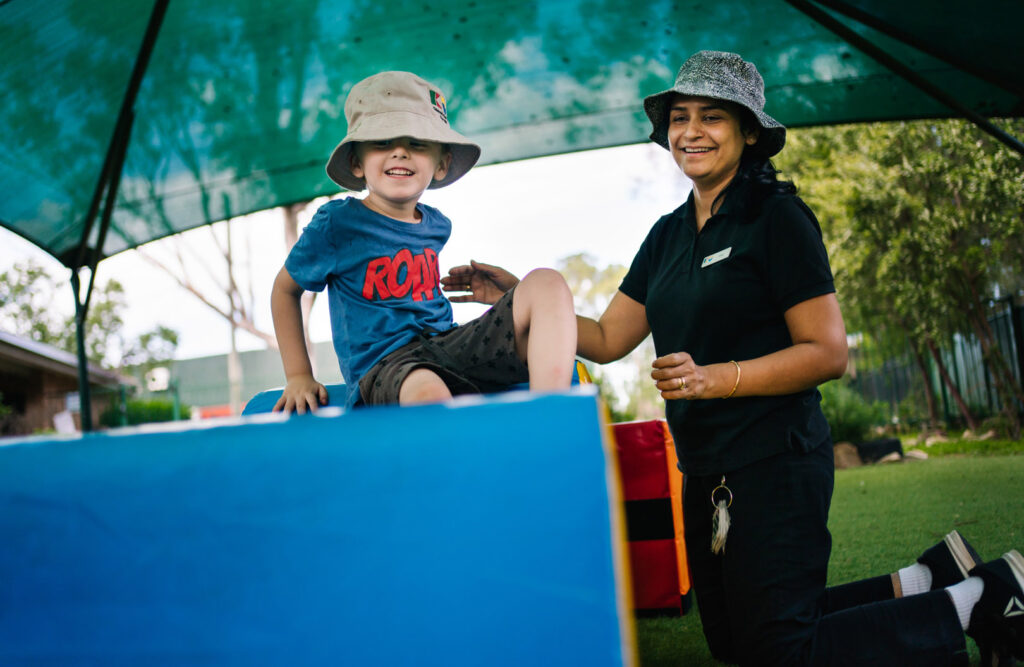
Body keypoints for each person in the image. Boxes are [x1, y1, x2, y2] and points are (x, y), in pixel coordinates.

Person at [443, 51, 1024, 666]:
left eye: (712, 117)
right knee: (735, 645)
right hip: (705, 468)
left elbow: (827, 352)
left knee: (777, 650)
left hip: (777, 460)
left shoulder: (778, 218)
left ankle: (980, 601)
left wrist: (714, 379)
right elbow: (610, 338)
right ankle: (923, 584)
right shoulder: (666, 235)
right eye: (679, 117)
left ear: (749, 133)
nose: (690, 132)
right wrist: (522, 299)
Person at [271, 70, 576, 412]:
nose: (400, 152)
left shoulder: (436, 224)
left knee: (546, 282)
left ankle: (549, 419)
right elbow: (285, 290)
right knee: (427, 389)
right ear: (357, 161)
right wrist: (298, 374)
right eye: (382, 142)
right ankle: (452, 457)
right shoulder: (338, 223)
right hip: (386, 364)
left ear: (441, 163)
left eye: (417, 143)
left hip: (448, 345)